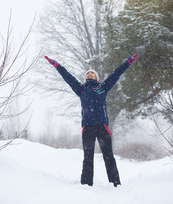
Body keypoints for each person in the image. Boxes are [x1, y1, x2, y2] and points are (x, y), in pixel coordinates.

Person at [44, 53, 138, 187]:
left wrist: (127, 62)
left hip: (102, 127)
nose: (89, 74)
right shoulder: (81, 89)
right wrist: (57, 65)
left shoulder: (102, 87)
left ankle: (115, 183)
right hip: (87, 128)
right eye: (87, 73)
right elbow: (67, 77)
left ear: (96, 77)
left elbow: (116, 74)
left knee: (108, 157)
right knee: (88, 158)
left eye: (92, 73)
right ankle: (86, 184)